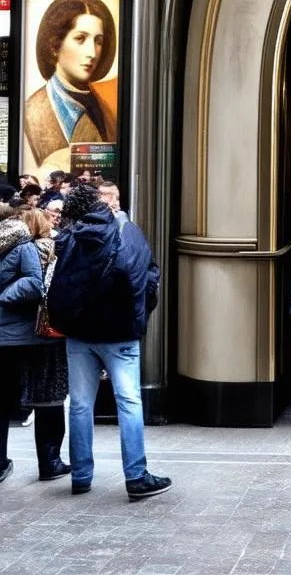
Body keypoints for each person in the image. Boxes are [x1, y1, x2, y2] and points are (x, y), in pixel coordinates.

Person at [46, 182, 170, 500]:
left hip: (80, 334)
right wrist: (138, 316)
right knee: (129, 402)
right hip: (120, 333)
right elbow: (148, 276)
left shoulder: (69, 239)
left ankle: (82, 475)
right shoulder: (127, 231)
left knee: (80, 405)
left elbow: (60, 286)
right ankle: (136, 476)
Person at [0, 205, 71, 483]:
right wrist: (5, 297)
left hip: (8, 339)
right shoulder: (24, 246)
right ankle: (49, 462)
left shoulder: (19, 246)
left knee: (1, 402)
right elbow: (33, 284)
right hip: (30, 337)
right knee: (46, 397)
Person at [23, 0, 118, 172]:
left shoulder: (107, 103)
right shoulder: (32, 112)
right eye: (80, 39)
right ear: (54, 47)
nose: (92, 53)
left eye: (98, 41)